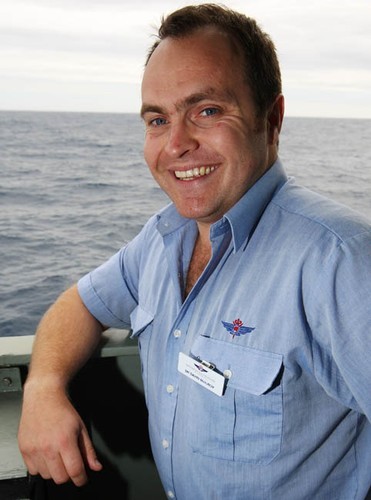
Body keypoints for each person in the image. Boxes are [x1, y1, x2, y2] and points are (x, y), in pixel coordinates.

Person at [18, 4, 371, 499]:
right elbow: (79, 303)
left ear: (272, 119)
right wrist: (43, 388)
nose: (176, 143)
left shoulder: (340, 260)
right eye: (158, 119)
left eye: (206, 111)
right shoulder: (164, 239)